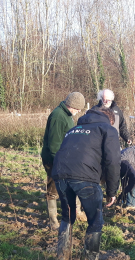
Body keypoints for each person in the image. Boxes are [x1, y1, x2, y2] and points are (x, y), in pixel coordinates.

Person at [51, 107, 120, 260]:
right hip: (85, 177)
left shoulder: (74, 129)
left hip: (59, 174)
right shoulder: (107, 129)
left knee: (67, 218)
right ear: (110, 120)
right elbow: (113, 161)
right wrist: (112, 191)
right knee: (95, 220)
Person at [41, 92, 86, 230]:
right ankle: (53, 220)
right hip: (55, 160)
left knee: (73, 185)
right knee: (53, 188)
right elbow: (54, 145)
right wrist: (58, 164)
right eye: (78, 109)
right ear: (71, 105)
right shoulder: (58, 116)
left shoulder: (68, 115)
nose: (78, 112)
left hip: (66, 158)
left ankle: (77, 212)